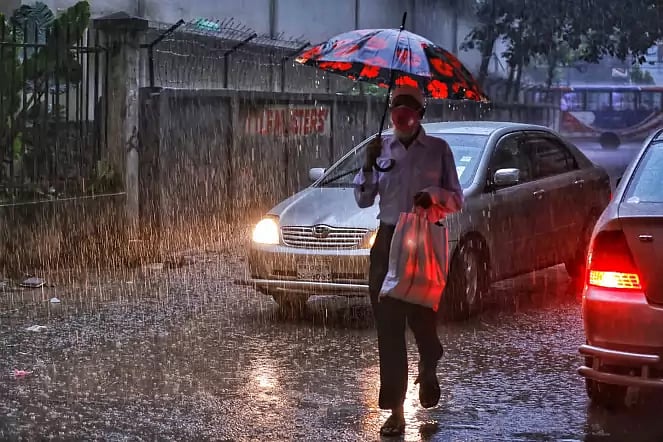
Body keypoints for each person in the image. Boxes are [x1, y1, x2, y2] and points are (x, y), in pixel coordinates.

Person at [353, 85, 464, 437]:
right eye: (396, 106)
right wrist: (367, 166)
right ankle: (397, 411)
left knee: (422, 318)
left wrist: (433, 197)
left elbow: (457, 200)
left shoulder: (438, 150)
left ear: (421, 114)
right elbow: (363, 200)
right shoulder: (379, 147)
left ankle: (429, 359)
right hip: (387, 242)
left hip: (422, 241)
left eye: (409, 107)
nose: (401, 113)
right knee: (388, 328)